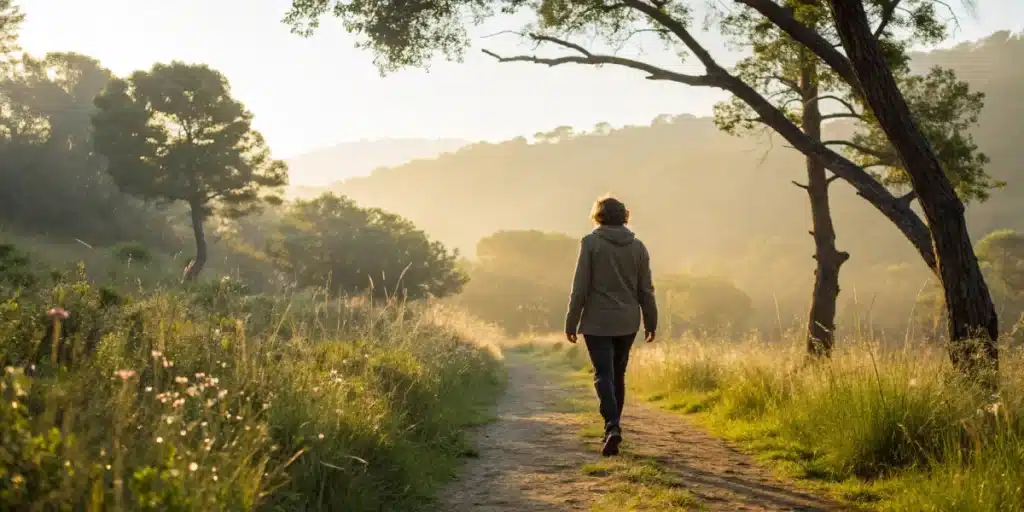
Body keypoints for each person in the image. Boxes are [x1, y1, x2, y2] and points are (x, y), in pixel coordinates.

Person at [565, 195, 657, 457]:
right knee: (618, 375)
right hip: (627, 321)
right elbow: (646, 289)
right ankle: (614, 427)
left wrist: (571, 320)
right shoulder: (638, 247)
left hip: (596, 321)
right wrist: (651, 320)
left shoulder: (590, 243)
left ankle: (612, 426)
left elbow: (580, 287)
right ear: (624, 216)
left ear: (599, 216)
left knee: (602, 374)